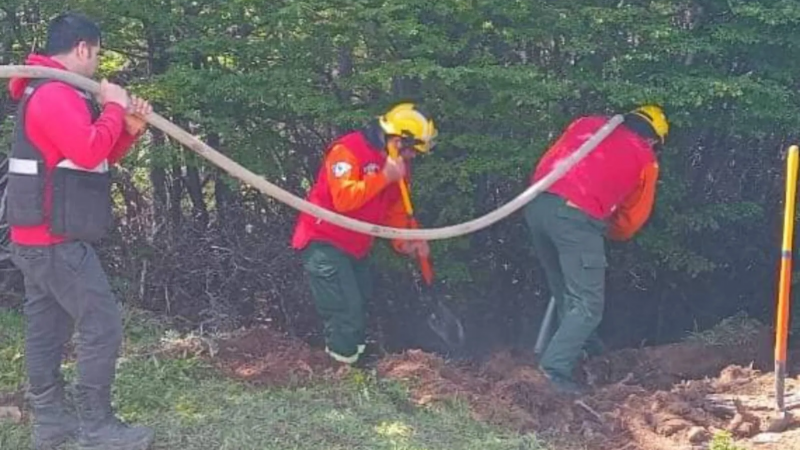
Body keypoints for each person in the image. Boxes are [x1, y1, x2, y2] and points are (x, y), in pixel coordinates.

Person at [6, 12, 154, 450]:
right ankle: (98, 427)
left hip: (39, 239)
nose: (97, 65)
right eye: (98, 54)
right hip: (53, 243)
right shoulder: (54, 94)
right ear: (84, 48)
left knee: (46, 329)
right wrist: (112, 104)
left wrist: (127, 131)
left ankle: (52, 424)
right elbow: (88, 152)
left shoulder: (53, 91)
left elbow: (86, 158)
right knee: (102, 324)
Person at [524, 105, 669, 394]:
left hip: (536, 205)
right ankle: (553, 372)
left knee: (566, 290)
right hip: (577, 219)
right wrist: (606, 231)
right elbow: (630, 220)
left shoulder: (585, 124)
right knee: (588, 304)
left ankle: (586, 352)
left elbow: (554, 160)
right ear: (654, 140)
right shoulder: (645, 159)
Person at [291, 102, 437, 366]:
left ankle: (355, 367)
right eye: (412, 148)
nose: (413, 156)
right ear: (396, 139)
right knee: (345, 309)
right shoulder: (347, 150)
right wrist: (384, 176)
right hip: (324, 240)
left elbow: (393, 211)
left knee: (361, 302)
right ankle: (343, 377)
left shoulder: (396, 165)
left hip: (356, 247)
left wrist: (406, 242)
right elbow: (344, 199)